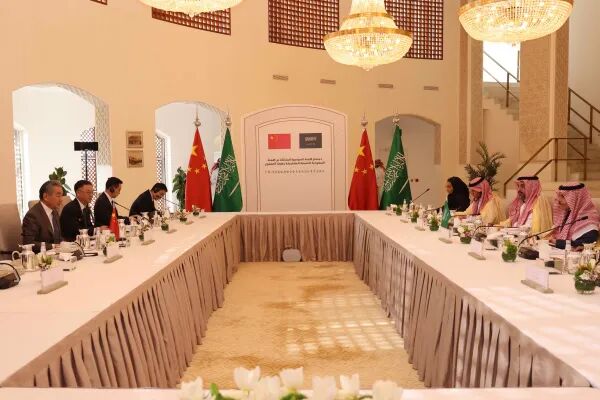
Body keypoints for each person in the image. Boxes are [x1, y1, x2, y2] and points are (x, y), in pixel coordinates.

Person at [551, 183, 600, 250]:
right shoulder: (568, 214)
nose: (558, 200)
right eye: (558, 195)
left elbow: (587, 243)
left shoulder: (588, 218)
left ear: (576, 198)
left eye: (563, 196)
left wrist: (559, 243)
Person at [21, 180, 64, 252]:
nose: (61, 199)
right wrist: (53, 246)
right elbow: (28, 243)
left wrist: (65, 244)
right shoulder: (32, 215)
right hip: (40, 256)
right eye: (58, 196)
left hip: (56, 254)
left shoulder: (54, 212)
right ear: (45, 196)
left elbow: (58, 237)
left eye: (61, 196)